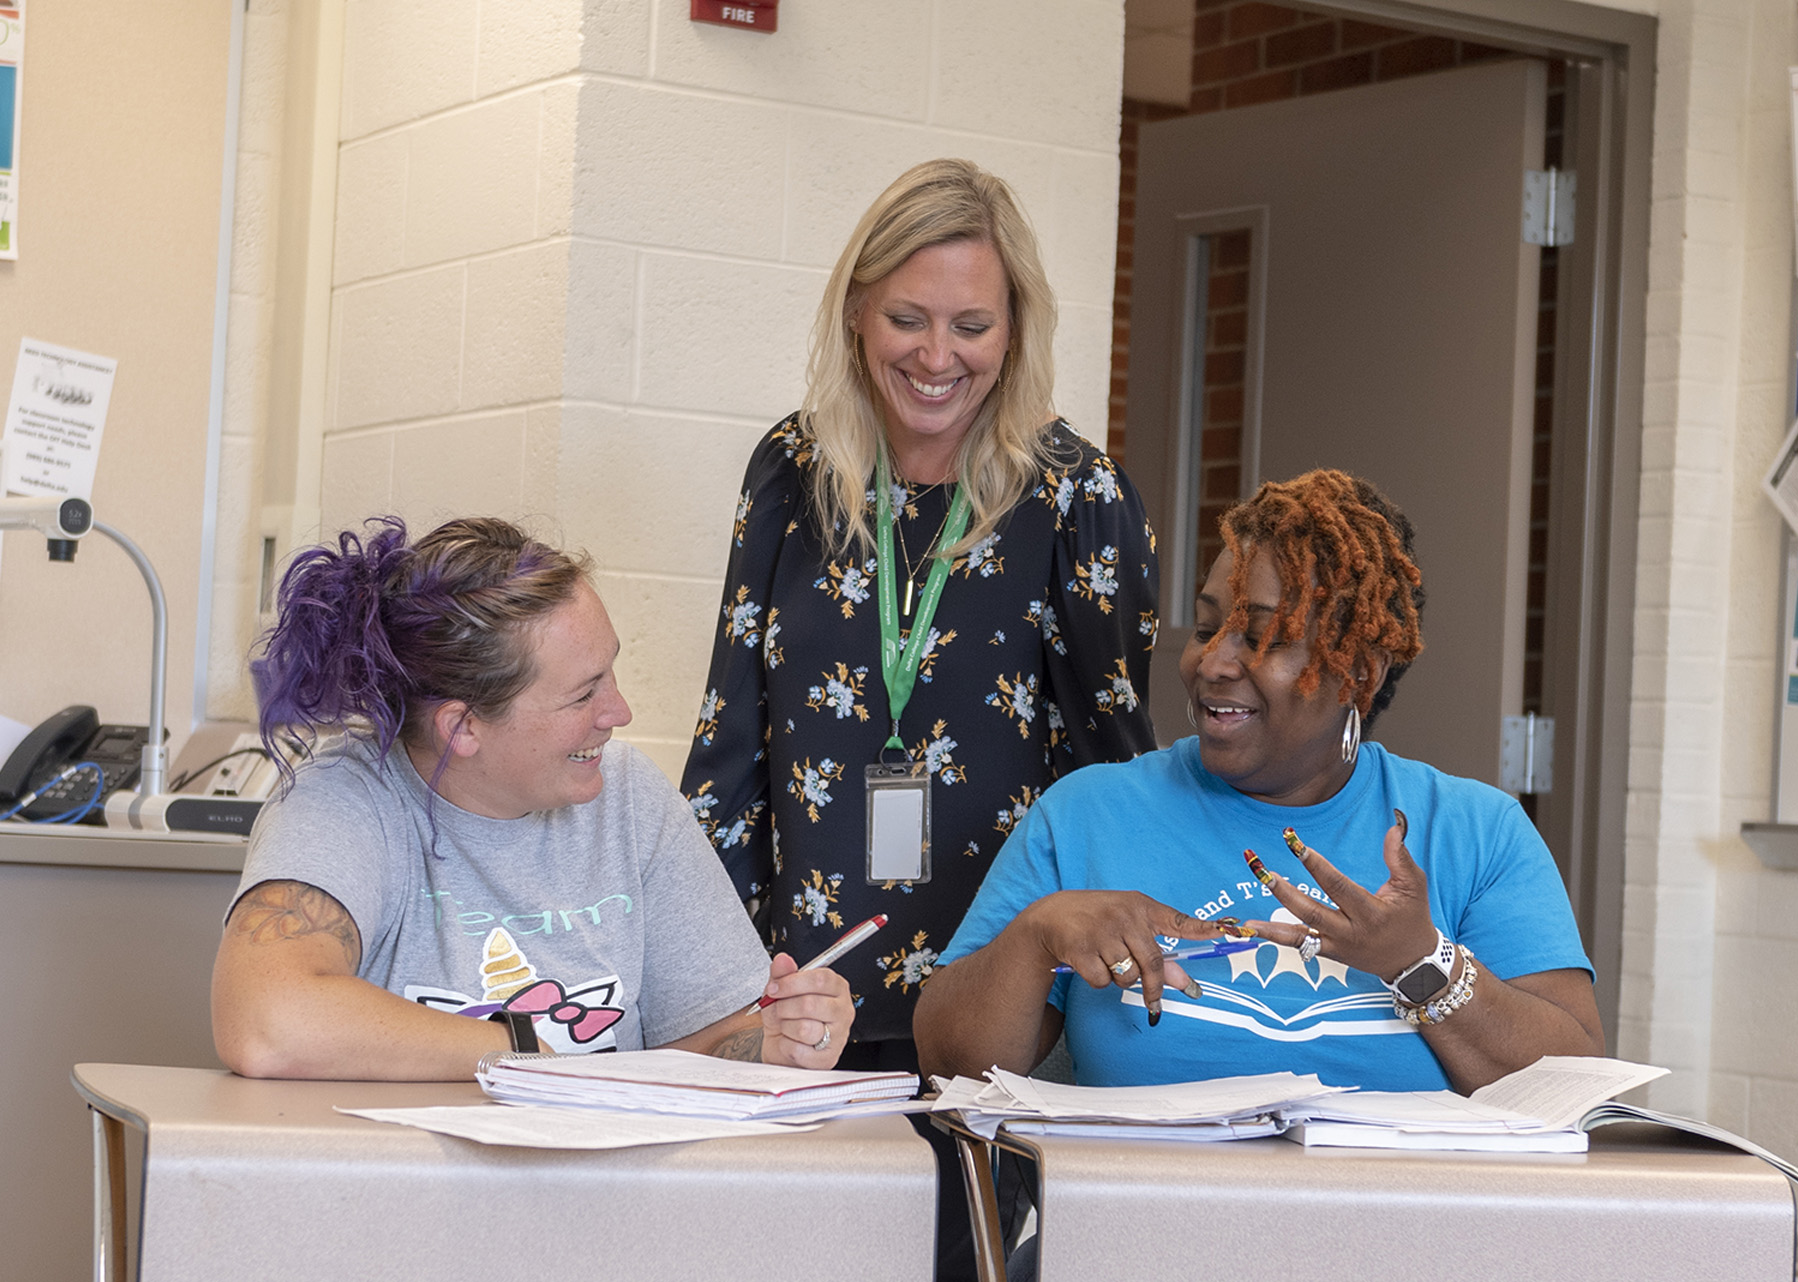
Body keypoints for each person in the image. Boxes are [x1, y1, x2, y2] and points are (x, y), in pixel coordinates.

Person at [680, 158, 1158, 1276]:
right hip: (805, 1007)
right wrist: (715, 998)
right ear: (856, 310)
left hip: (994, 1016)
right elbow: (730, 747)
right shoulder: (790, 471)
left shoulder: (1078, 499)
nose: (937, 357)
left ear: (1016, 328)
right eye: (907, 317)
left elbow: (1113, 773)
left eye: (971, 325)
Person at [915, 470, 1606, 1098]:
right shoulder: (1087, 816)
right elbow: (947, 1064)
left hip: (1394, 1230)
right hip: (1144, 1224)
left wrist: (1419, 962)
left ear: (1358, 672)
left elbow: (1571, 1087)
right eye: (1209, 627)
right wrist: (1036, 937)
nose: (1213, 663)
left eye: (1263, 639)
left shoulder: (1473, 830)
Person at [212, 516, 852, 1080]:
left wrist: (777, 1041)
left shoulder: (627, 797)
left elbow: (702, 1042)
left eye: (611, 673)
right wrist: (521, 1052)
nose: (619, 712)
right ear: (462, 727)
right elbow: (267, 1022)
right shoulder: (346, 799)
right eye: (583, 694)